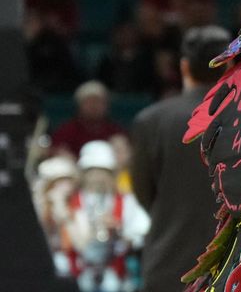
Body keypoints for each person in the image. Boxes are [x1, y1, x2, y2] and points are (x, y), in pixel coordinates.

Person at [130, 26, 230, 292]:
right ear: (230, 64)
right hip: (234, 260)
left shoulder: (151, 120)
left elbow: (143, 192)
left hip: (169, 260)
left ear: (184, 67)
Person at [62, 141, 150, 292]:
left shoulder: (126, 201)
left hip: (116, 274)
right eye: (92, 171)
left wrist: (119, 230)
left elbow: (140, 233)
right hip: (79, 273)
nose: (97, 177)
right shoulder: (70, 201)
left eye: (103, 172)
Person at [51, 81, 126, 159]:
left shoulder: (115, 130)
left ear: (106, 105)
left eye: (98, 102)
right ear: (79, 105)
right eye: (89, 102)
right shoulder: (66, 131)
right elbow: (56, 150)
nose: (94, 106)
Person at [33, 155, 80, 278]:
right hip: (45, 259)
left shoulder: (78, 204)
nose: (66, 186)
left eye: (68, 180)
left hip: (75, 259)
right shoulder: (41, 205)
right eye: (59, 181)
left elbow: (80, 242)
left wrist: (62, 207)